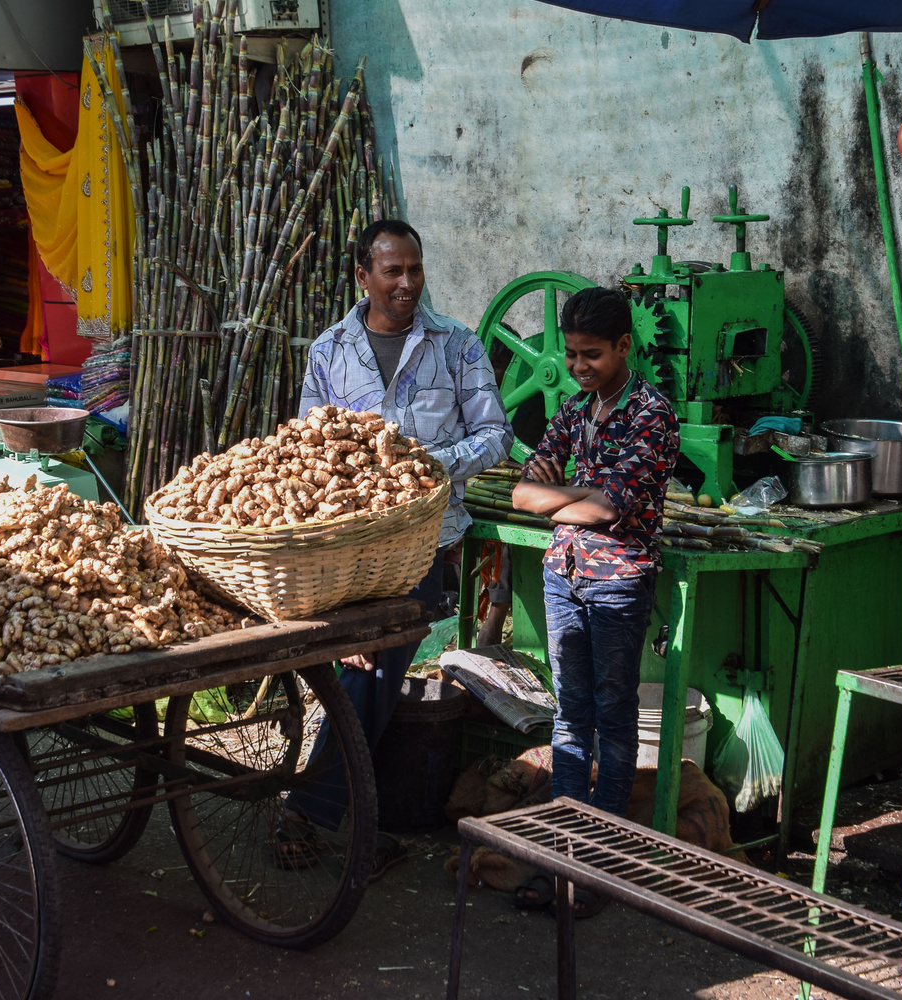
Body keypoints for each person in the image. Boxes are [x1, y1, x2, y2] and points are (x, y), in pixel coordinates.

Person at [287, 217, 512, 876]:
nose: (407, 282)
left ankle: (322, 811)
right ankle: (327, 812)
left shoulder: (456, 345)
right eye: (393, 271)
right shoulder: (330, 351)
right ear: (364, 276)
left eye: (415, 269)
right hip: (348, 541)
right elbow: (308, 445)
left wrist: (423, 465)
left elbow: (494, 433)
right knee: (362, 670)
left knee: (377, 670)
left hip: (424, 541)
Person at [510, 285, 679, 916]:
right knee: (569, 718)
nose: (579, 367)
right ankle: (559, 858)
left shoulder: (652, 415)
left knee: (613, 719)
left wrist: (571, 499)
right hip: (563, 575)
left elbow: (613, 507)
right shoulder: (575, 410)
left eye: (592, 355)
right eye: (573, 354)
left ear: (625, 346)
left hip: (617, 585)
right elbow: (523, 493)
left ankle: (602, 870)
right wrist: (576, 501)